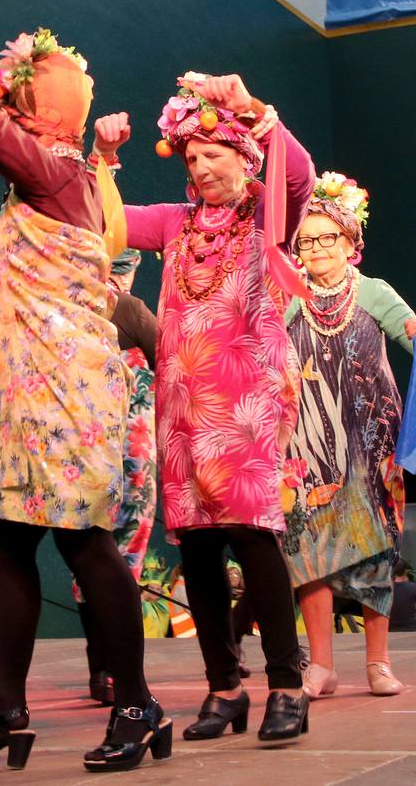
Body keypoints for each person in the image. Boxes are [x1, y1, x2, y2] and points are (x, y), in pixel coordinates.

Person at [0, 0, 160, 773]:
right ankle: (3, 704)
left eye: (15, 94)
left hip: (65, 397)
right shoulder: (68, 176)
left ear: (35, 109)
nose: (6, 102)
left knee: (87, 549)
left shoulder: (51, 173)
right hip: (36, 396)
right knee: (6, 540)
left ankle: (135, 703)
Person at [97, 70, 315, 743]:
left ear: (242, 155)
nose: (198, 165)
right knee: (195, 544)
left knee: (252, 535)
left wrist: (249, 106)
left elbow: (300, 175)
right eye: (190, 156)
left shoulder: (264, 215)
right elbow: (106, 230)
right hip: (182, 402)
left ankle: (285, 685)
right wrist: (102, 160)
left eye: (211, 153)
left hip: (246, 395)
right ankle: (223, 688)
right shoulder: (176, 223)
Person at [278, 171, 416, 699]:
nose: (316, 248)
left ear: (351, 243)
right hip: (304, 450)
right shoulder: (286, 295)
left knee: (374, 549)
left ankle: (378, 663)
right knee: (306, 550)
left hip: (370, 448)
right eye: (306, 241)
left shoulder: (374, 293)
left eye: (327, 237)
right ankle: (323, 667)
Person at [78, 248, 158, 705]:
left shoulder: (126, 310)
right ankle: (110, 668)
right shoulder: (123, 308)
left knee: (99, 551)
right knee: (110, 551)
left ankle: (105, 667)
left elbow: (166, 365)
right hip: (106, 449)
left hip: (123, 449)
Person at [388, 560, 416, 632]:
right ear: (405, 572)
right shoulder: (413, 588)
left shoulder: (385, 590)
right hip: (410, 633)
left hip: (390, 634)